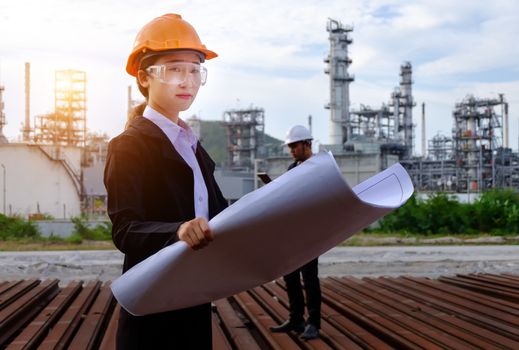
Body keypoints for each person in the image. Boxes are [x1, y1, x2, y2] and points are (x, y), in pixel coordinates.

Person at [104, 13, 227, 349]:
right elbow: (125, 229)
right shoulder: (129, 146)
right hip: (153, 308)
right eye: (174, 69)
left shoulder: (191, 146)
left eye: (194, 70)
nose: (187, 81)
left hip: (194, 299)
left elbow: (219, 214)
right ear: (144, 77)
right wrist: (177, 231)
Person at [270, 125, 322, 340]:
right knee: (290, 276)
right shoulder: (292, 168)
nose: (291, 150)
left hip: (310, 233)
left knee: (309, 279)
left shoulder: (320, 168)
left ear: (307, 144)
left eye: (294, 145)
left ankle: (314, 324)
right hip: (292, 232)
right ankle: (296, 319)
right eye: (289, 146)